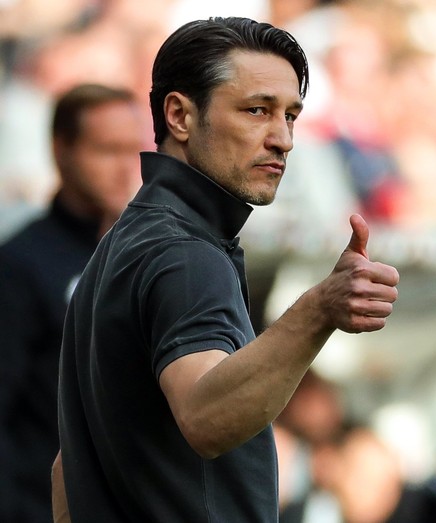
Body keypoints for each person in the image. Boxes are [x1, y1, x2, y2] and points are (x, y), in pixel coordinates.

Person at [52, 16, 400, 522]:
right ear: (180, 116)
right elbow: (205, 417)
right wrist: (320, 309)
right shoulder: (184, 253)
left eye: (291, 116)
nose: (283, 139)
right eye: (257, 110)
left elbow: (68, 471)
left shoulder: (124, 242)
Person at [0, 83, 143, 522]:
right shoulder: (20, 265)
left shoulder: (147, 256)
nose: (125, 169)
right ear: (62, 151)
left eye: (132, 151)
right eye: (106, 150)